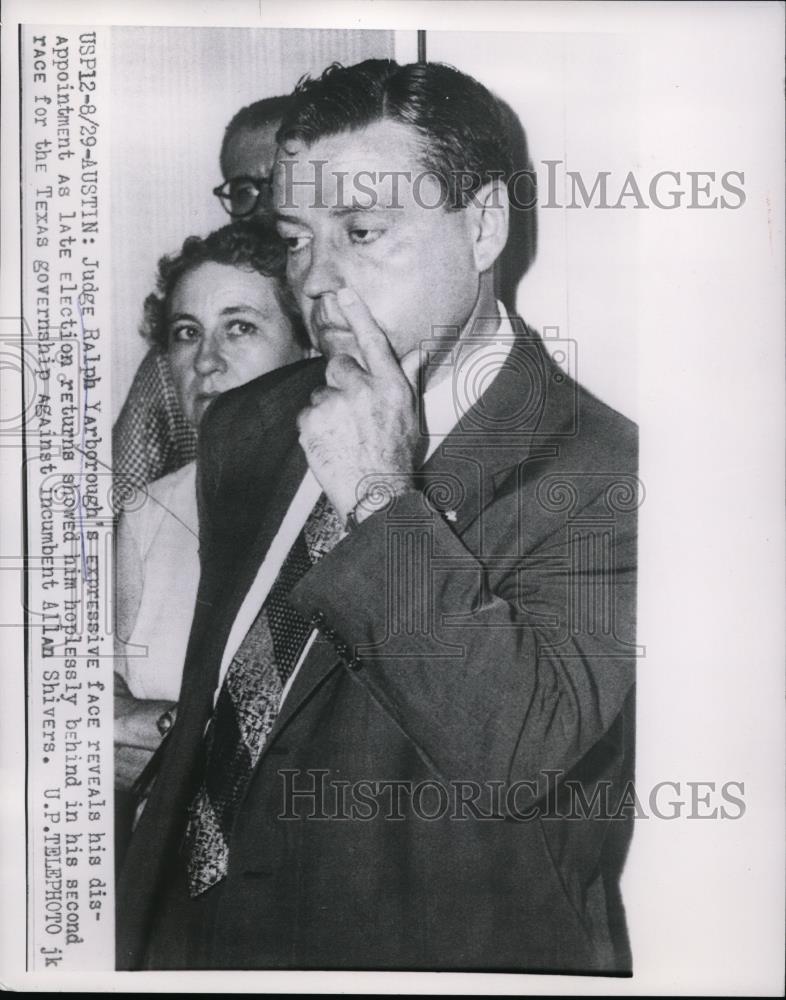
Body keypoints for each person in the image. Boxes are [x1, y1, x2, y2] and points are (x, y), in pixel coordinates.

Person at [118, 59, 639, 974]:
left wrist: (377, 499)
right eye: (296, 238)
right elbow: (237, 707)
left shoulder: (601, 465)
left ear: (483, 224)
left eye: (361, 231)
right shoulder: (251, 423)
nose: (316, 279)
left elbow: (521, 749)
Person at [114, 222, 309, 794]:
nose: (206, 360)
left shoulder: (352, 497)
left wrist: (162, 738)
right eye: (186, 333)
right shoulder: (149, 512)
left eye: (239, 327)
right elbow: (87, 698)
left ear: (310, 346)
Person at [112, 95, 291, 493]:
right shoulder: (176, 363)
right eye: (245, 189)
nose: (266, 208)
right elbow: (122, 502)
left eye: (286, 183)